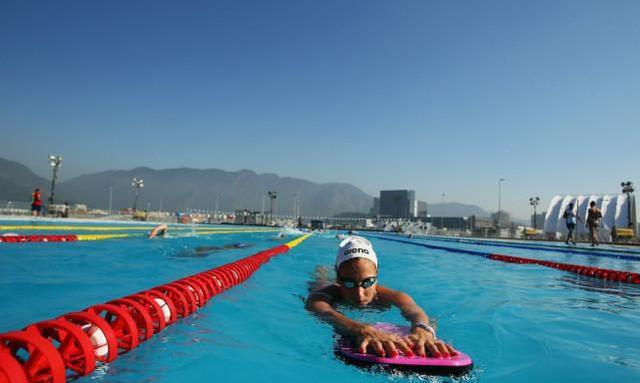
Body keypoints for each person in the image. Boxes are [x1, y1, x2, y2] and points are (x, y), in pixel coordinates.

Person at [305, 236, 455, 358]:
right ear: (338, 279)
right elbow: (321, 310)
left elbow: (414, 310)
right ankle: (322, 271)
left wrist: (422, 329)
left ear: (377, 275)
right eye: (349, 284)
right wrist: (360, 329)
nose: (359, 294)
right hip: (323, 285)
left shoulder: (391, 296)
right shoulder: (324, 295)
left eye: (367, 282)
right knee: (320, 279)